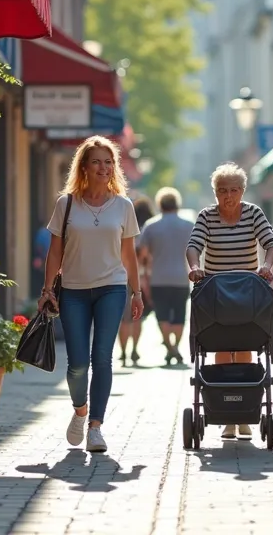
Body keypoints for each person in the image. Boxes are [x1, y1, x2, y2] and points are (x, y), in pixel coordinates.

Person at [39, 136, 146, 453]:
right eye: (97, 161)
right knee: (76, 363)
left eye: (109, 161)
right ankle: (80, 411)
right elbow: (55, 251)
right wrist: (47, 289)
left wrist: (136, 292)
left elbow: (129, 255)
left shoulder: (123, 206)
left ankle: (95, 426)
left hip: (111, 288)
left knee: (102, 358)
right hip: (72, 290)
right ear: (84, 166)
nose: (104, 167)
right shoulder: (67, 203)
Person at [186, 163, 273, 440]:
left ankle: (244, 412)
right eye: (222, 190)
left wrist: (268, 266)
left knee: (246, 342)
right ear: (215, 192)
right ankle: (228, 417)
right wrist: (194, 267)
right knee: (221, 345)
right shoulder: (207, 216)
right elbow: (194, 246)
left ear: (242, 191)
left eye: (234, 190)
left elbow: (271, 243)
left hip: (247, 293)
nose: (228, 196)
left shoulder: (253, 213)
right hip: (216, 294)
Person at [136, 187, 195, 366]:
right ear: (177, 204)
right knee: (179, 315)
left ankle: (170, 348)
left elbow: (143, 254)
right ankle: (175, 347)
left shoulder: (151, 225)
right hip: (181, 277)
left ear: (160, 204)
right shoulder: (189, 225)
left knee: (162, 315)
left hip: (158, 278)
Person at [117, 196, 156, 367]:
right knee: (137, 318)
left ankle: (124, 353)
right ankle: (134, 349)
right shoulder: (146, 231)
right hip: (139, 276)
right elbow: (147, 258)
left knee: (124, 319)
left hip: (120, 276)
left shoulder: (121, 227)